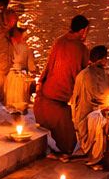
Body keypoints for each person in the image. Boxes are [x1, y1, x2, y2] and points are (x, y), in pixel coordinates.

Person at [34, 14, 90, 155]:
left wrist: (40, 84)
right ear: (83, 31)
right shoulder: (82, 49)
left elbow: (48, 66)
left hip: (46, 92)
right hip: (61, 99)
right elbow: (83, 77)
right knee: (69, 146)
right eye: (86, 31)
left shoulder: (59, 41)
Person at [69, 45, 109, 168]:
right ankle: (95, 158)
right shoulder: (86, 75)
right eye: (105, 58)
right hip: (86, 116)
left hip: (99, 110)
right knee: (99, 119)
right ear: (102, 60)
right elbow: (98, 96)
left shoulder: (106, 75)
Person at [4, 25, 35, 114]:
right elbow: (31, 66)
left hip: (14, 78)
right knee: (18, 102)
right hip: (16, 78)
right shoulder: (25, 48)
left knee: (14, 101)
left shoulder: (10, 47)